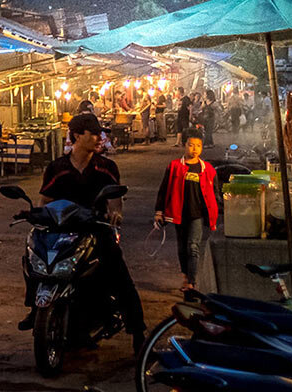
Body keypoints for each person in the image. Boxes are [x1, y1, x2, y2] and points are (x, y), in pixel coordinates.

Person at [23, 112, 145, 350]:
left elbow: (115, 201)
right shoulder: (57, 168)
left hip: (96, 231)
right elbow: (45, 201)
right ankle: (35, 307)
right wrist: (36, 216)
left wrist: (115, 214)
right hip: (62, 232)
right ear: (77, 135)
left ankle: (138, 329)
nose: (100, 138)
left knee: (119, 275)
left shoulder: (106, 167)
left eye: (100, 134)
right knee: (32, 259)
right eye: (94, 133)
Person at [154, 130, 220, 291]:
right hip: (178, 213)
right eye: (191, 145)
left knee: (193, 246)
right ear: (185, 145)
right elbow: (164, 190)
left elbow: (215, 193)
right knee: (182, 247)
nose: (194, 149)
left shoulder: (208, 169)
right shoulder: (175, 167)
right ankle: (185, 275)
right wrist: (159, 211)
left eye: (198, 146)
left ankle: (191, 282)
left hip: (197, 215)